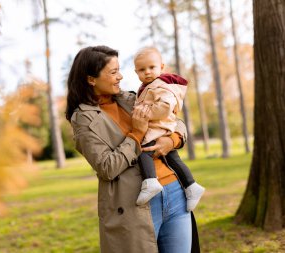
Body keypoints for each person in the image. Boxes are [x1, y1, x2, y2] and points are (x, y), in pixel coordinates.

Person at [66, 45, 200, 253]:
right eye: (113, 72)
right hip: (136, 203)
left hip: (175, 192)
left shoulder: (130, 99)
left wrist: (172, 140)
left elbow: (175, 121)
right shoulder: (84, 119)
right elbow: (107, 167)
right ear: (91, 79)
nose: (120, 76)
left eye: (119, 70)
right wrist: (136, 135)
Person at [133, 46, 205, 210]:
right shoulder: (148, 86)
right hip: (160, 126)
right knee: (173, 158)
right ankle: (191, 186)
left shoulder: (161, 85)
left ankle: (150, 181)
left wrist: (145, 114)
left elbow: (165, 106)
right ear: (136, 72)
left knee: (143, 151)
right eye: (142, 69)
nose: (148, 72)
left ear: (162, 67)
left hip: (158, 126)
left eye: (152, 67)